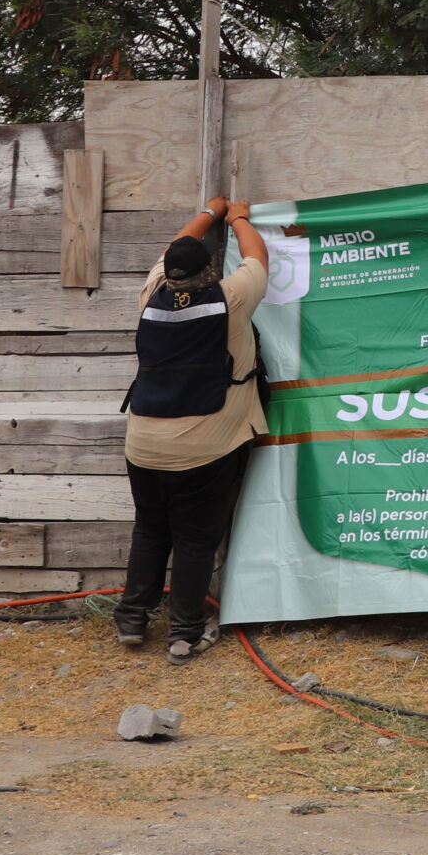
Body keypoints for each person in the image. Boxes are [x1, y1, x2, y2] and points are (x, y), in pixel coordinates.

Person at [115, 196, 270, 662]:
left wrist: (208, 210)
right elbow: (257, 257)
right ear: (209, 270)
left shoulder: (151, 295)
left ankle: (131, 619)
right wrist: (237, 215)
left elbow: (175, 246)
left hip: (143, 443)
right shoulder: (231, 298)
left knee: (150, 530)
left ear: (171, 274)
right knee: (195, 539)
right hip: (204, 447)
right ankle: (184, 634)